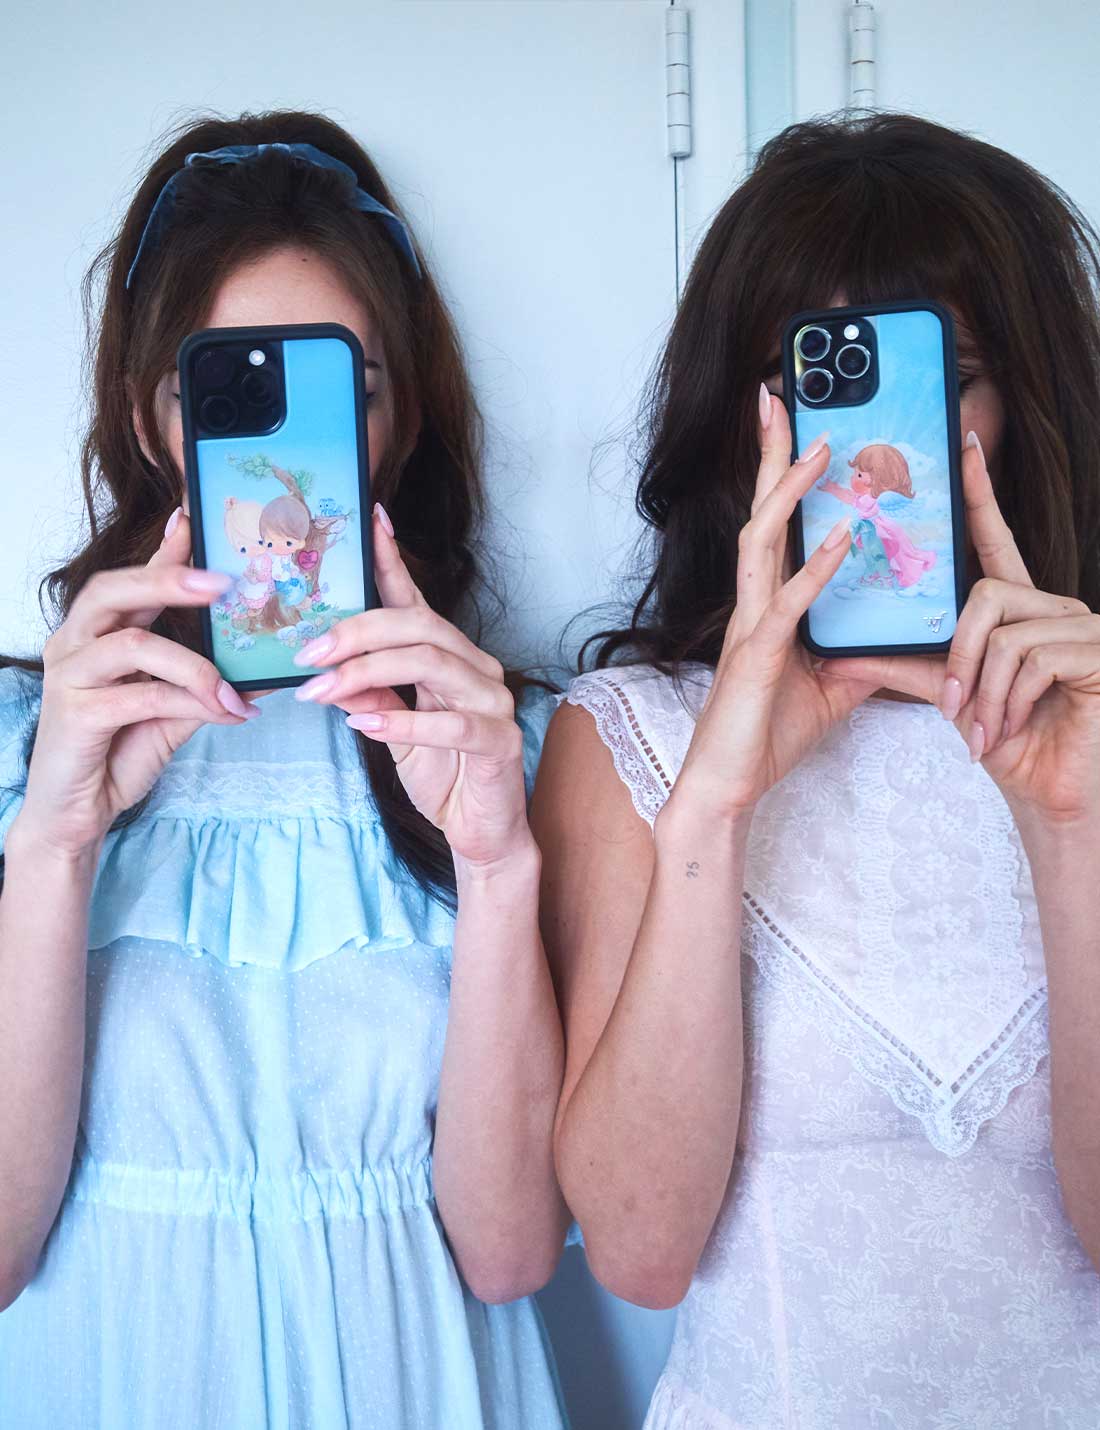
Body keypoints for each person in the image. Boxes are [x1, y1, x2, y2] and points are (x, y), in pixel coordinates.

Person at [0, 112, 570, 1429]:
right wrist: (56, 841)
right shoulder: (27, 748)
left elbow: (509, 1255)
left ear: (398, 417)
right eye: (222, 391)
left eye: (340, 391)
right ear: (151, 421)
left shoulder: (497, 742)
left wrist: (496, 864)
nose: (286, 461)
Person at [533, 113, 1100, 1427]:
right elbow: (638, 1249)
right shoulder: (628, 735)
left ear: (1021, 406)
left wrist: (1074, 824)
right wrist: (716, 802)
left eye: (944, 374)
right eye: (822, 380)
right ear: (745, 412)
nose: (861, 447)